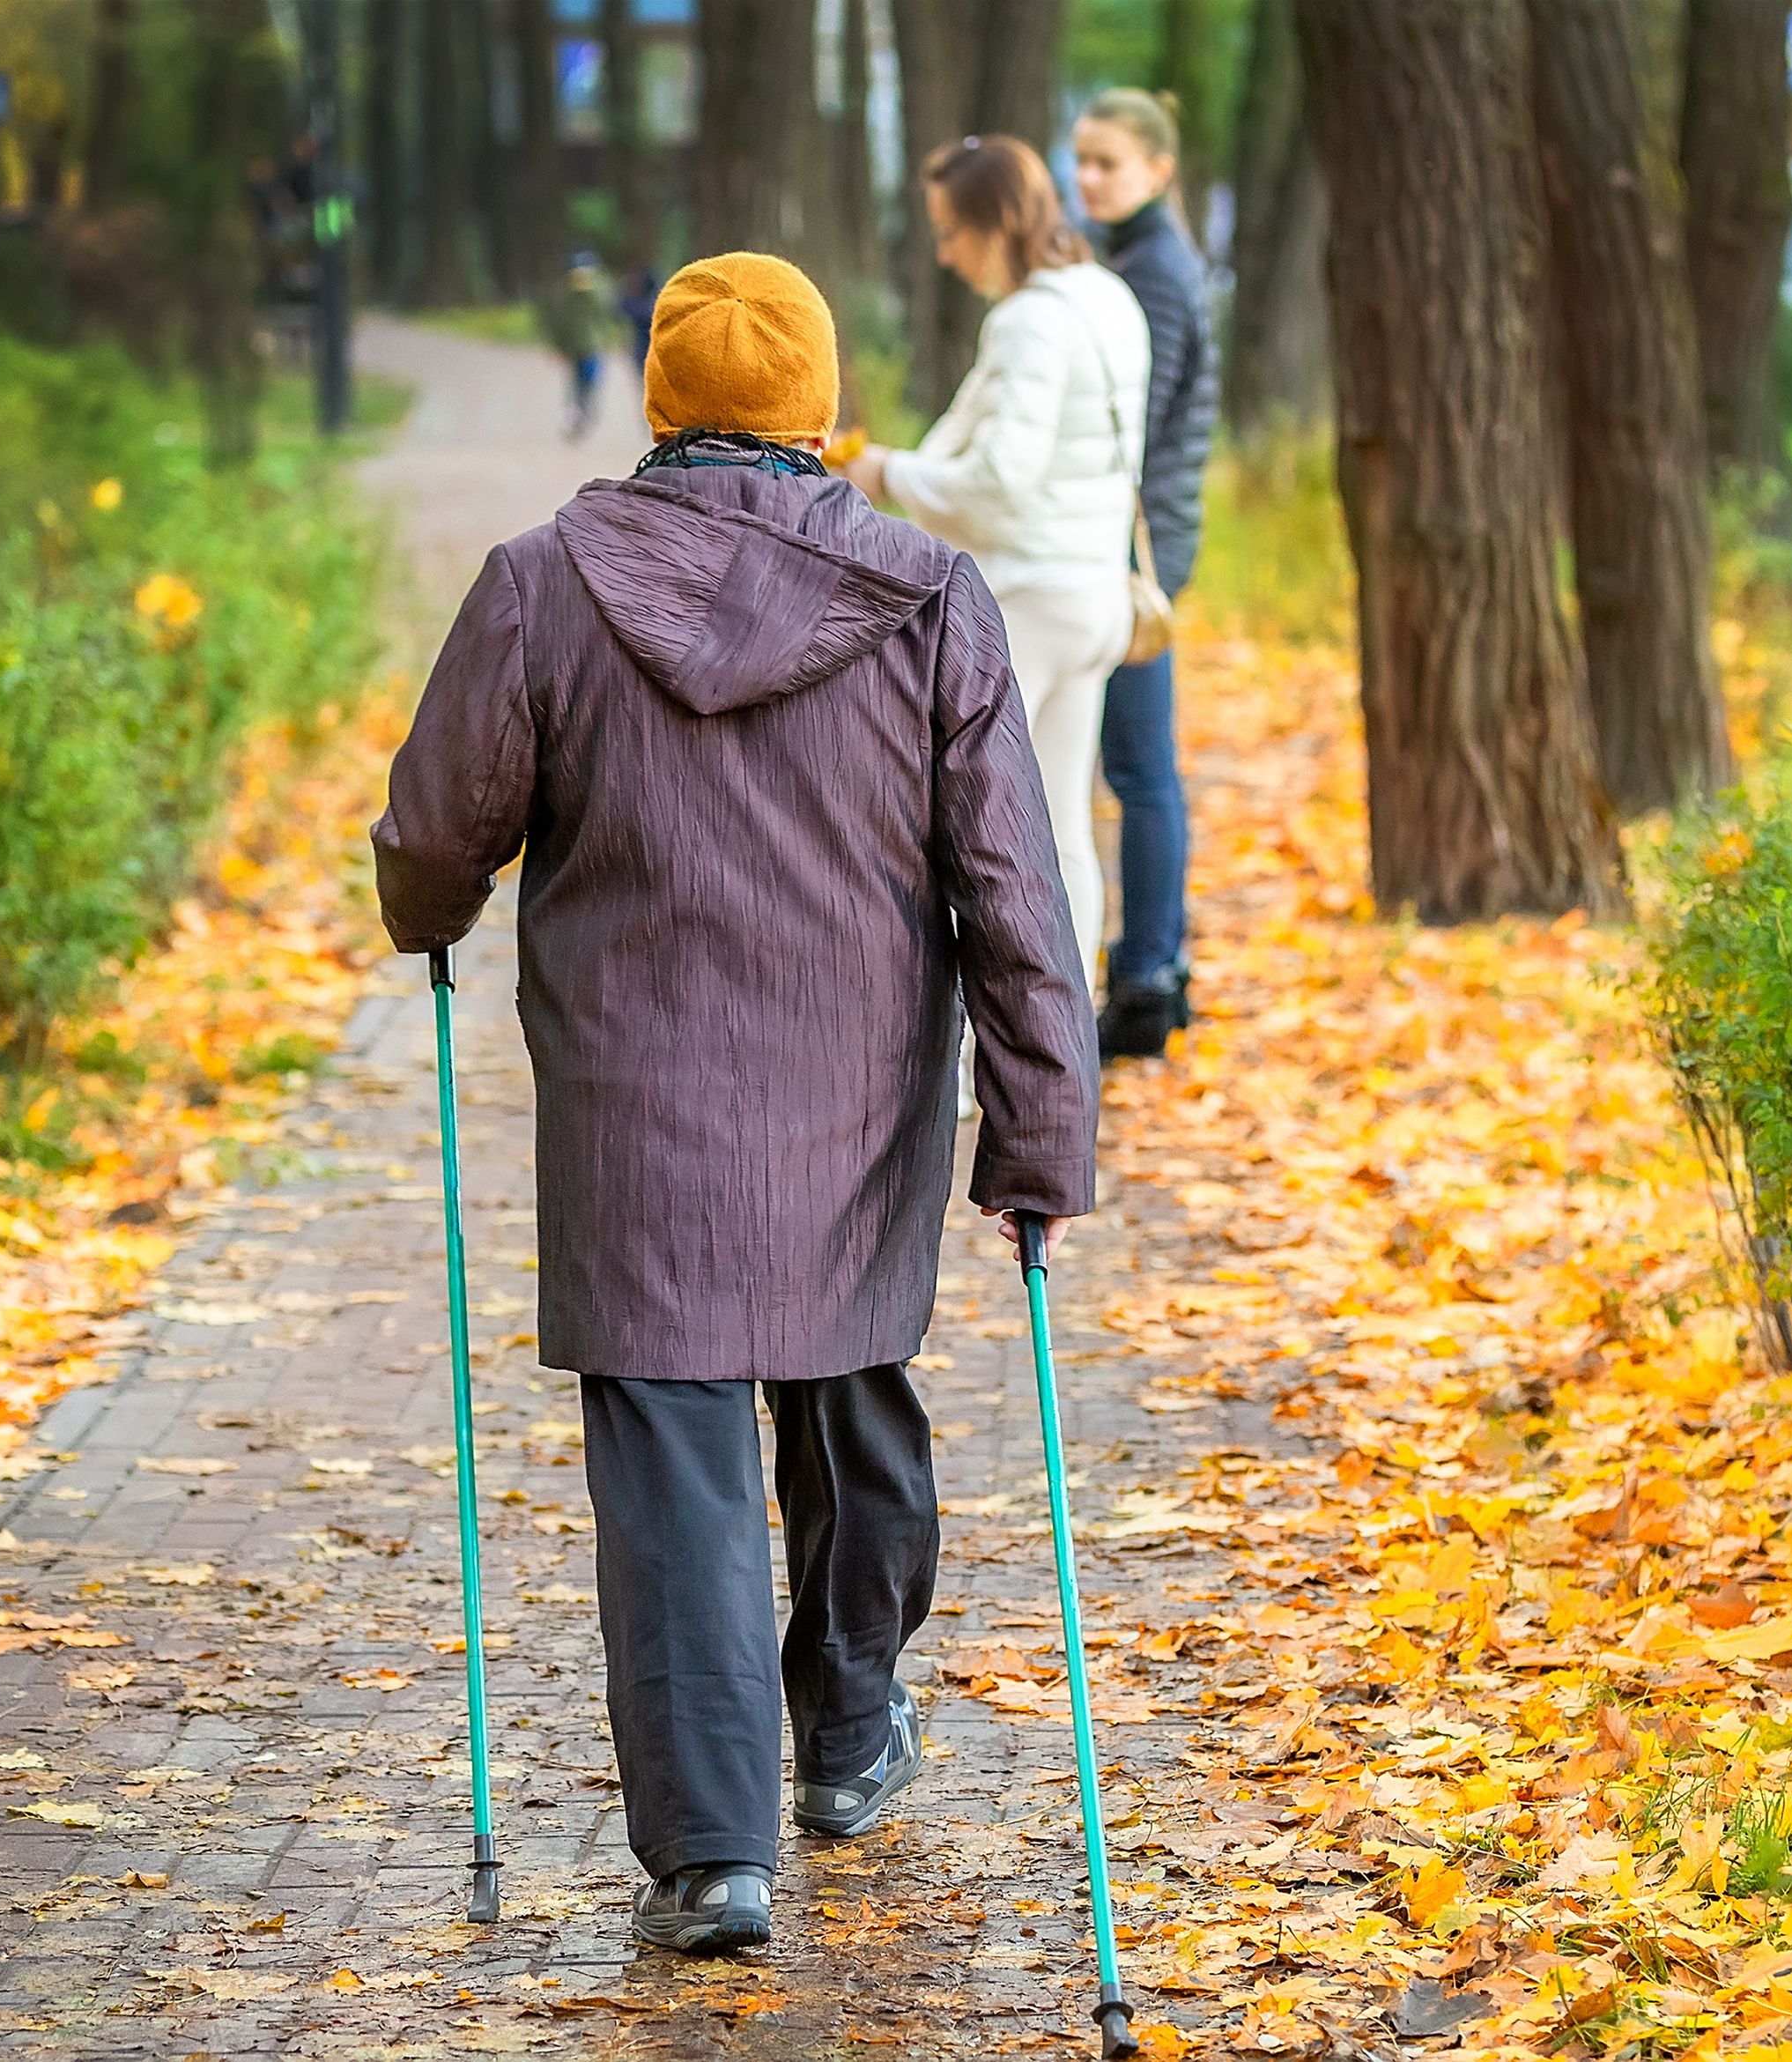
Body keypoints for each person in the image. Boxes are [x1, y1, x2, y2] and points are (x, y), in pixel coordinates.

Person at [373, 252, 1098, 1957]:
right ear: (821, 412)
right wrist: (1037, 1129)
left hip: (636, 1116)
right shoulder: (929, 596)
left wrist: (426, 918)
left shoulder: (545, 582)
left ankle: (714, 1856)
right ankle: (846, 1734)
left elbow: (432, 830)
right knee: (852, 1400)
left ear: (658, 400)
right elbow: (1014, 892)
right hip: (855, 1107)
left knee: (679, 1465)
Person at [839, 135, 1152, 1000]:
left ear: (993, 223)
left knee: (968, 838)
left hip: (1029, 601)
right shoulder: (1106, 297)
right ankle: (1066, 1044)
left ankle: (973, 1057)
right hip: (1094, 594)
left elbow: (1000, 481)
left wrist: (884, 473)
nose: (943, 252)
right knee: (1062, 834)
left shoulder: (1026, 321)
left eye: (950, 231)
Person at [1071, 89, 1218, 1061]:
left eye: (1108, 165)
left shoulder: (1155, 271)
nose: (1088, 179)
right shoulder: (1134, 257)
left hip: (1138, 555)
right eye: (1080, 160)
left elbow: (1135, 422)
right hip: (1141, 546)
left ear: (1158, 171)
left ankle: (1150, 978)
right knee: (1138, 766)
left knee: (1138, 769)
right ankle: (1151, 966)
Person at [542, 251, 618, 441]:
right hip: (574, 346)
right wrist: (557, 346)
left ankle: (587, 414)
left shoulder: (600, 289)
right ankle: (577, 416)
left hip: (593, 345)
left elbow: (607, 313)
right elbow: (558, 322)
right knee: (576, 384)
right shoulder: (566, 294)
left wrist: (588, 292)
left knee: (591, 382)